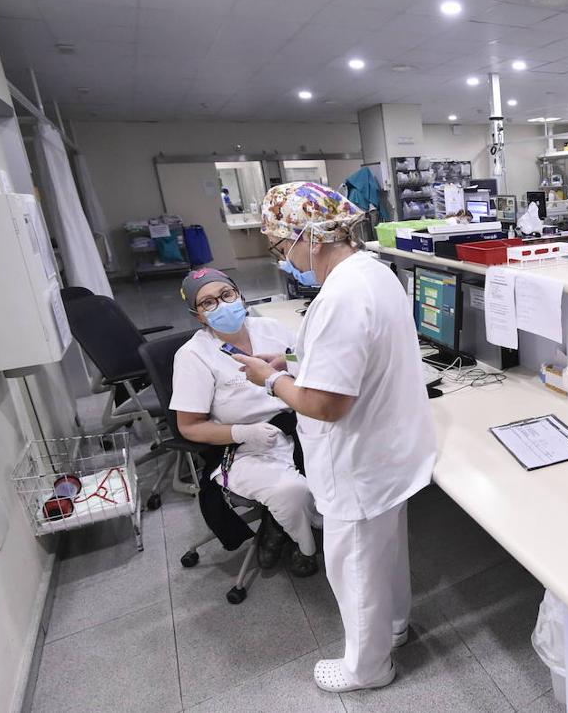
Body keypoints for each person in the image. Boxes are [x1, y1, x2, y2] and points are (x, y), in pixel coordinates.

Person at [234, 182, 437, 694]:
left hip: (359, 462)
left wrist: (271, 380)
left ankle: (368, 668)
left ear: (312, 237)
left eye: (283, 247)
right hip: (391, 450)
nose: (285, 260)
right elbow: (357, 358)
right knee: (386, 551)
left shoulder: (340, 297)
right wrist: (298, 361)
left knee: (356, 567)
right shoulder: (374, 273)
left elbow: (327, 404)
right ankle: (394, 629)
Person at [170, 268, 318, 577]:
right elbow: (189, 427)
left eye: (227, 295)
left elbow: (310, 369)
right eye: (208, 303)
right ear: (197, 316)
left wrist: (292, 363)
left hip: (299, 426)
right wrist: (241, 432)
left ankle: (278, 524)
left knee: (343, 470)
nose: (222, 305)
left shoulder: (272, 327)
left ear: (240, 295)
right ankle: (304, 547)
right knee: (291, 492)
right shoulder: (193, 356)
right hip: (243, 448)